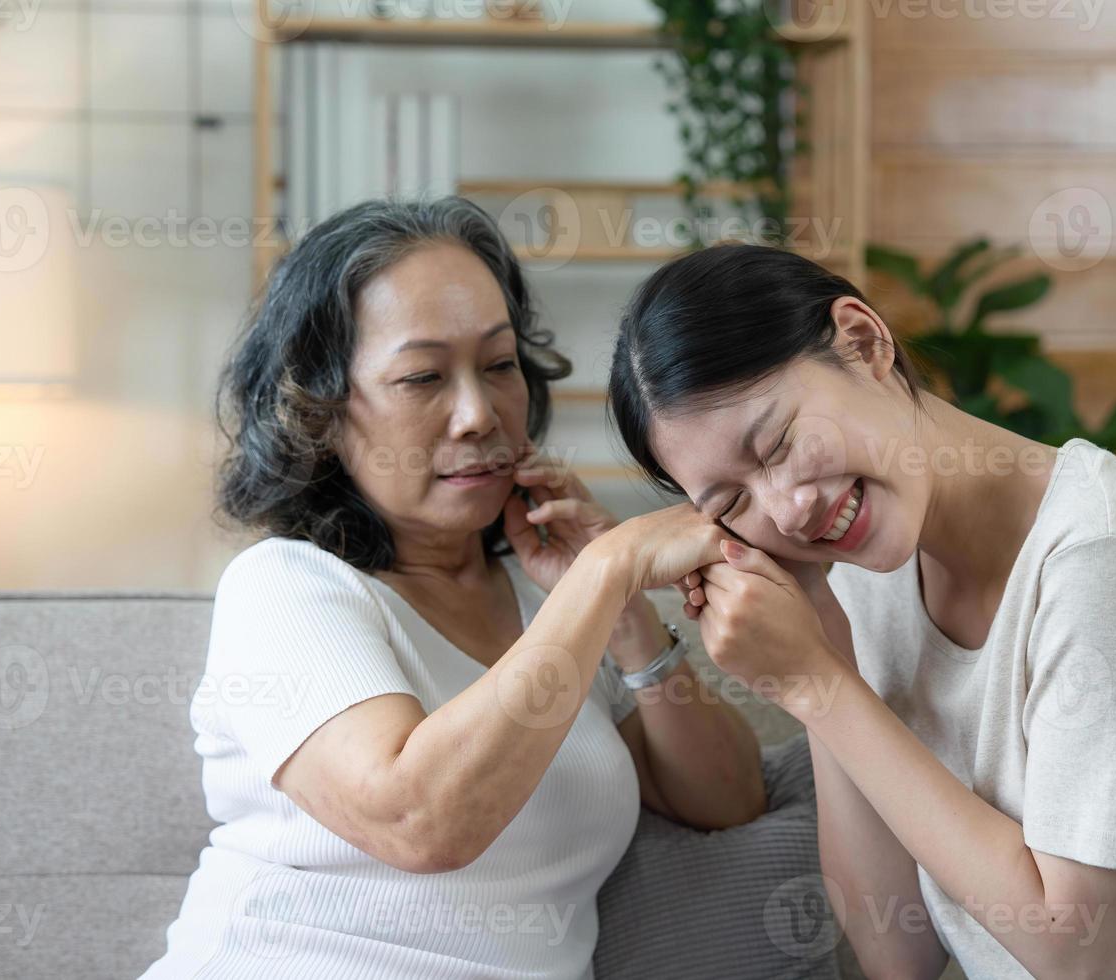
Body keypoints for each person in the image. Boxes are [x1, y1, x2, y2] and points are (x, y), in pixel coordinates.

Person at [607, 242, 1116, 980]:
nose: (790, 510)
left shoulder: (1111, 557)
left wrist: (816, 684)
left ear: (863, 343)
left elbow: (1075, 951)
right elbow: (898, 955)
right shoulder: (866, 570)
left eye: (780, 441)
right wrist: (821, 642)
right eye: (732, 503)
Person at [141, 199, 765, 980]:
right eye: (422, 377)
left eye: (500, 366)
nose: (478, 414)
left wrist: (626, 617)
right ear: (320, 412)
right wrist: (608, 575)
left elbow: (729, 799)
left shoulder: (554, 603)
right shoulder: (288, 588)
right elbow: (418, 822)